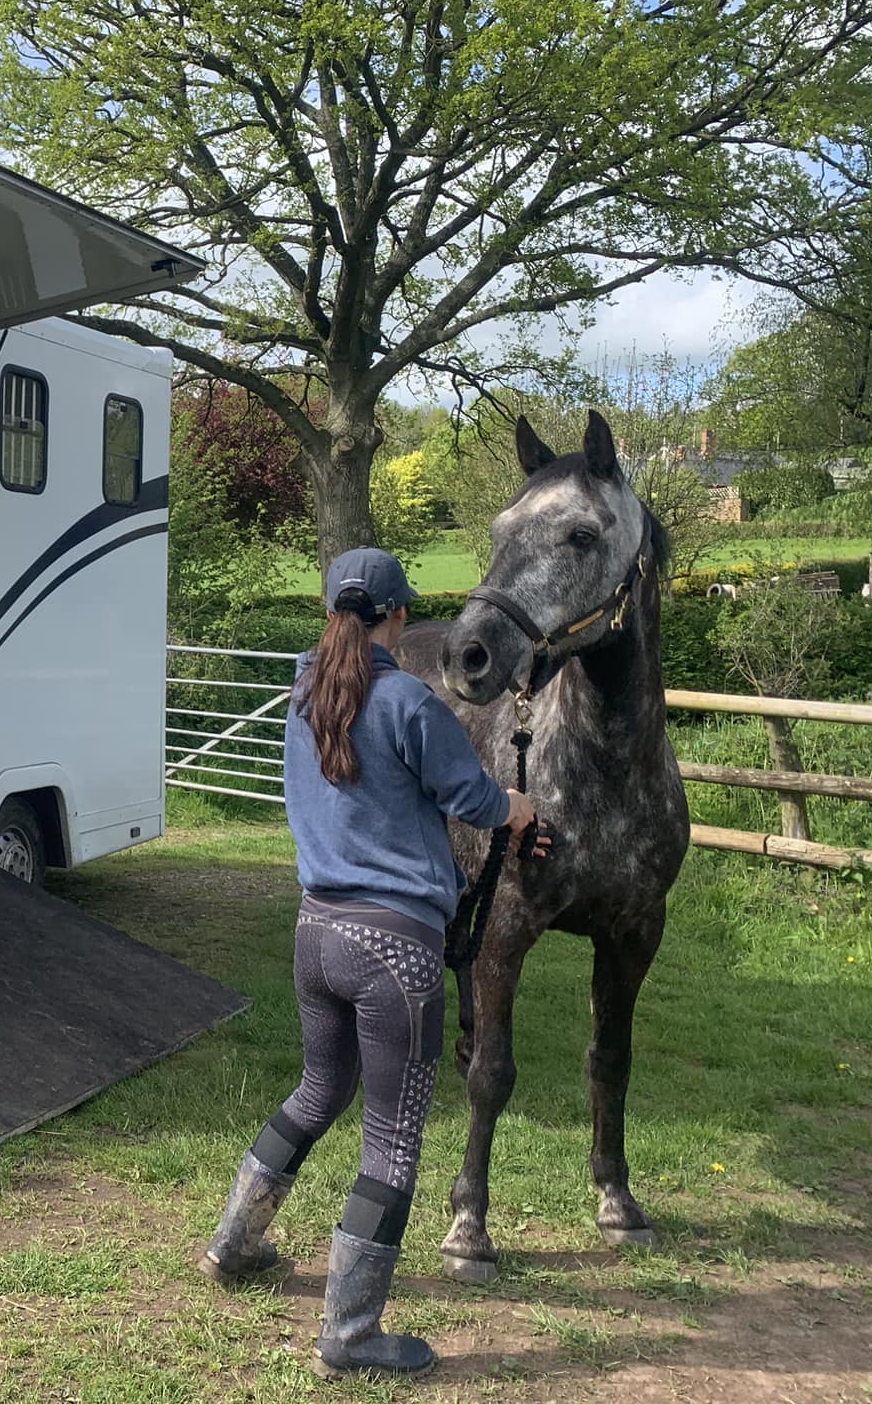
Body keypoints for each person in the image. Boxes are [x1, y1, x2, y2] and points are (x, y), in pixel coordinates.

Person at [196, 547, 549, 1378]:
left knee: (318, 1091)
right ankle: (350, 1333)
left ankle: (234, 1243)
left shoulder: (302, 693)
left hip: (315, 932)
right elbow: (474, 799)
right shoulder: (407, 703)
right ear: (398, 616)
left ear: (330, 613)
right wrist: (518, 806)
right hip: (394, 950)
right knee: (391, 1142)